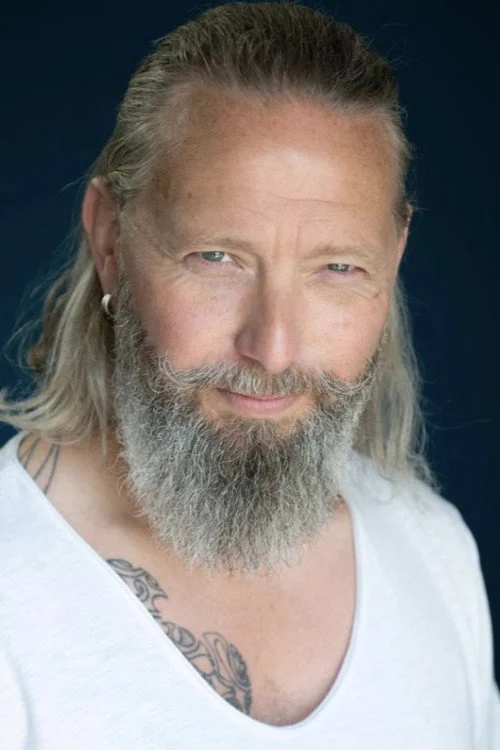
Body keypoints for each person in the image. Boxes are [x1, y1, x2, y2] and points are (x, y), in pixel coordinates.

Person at [0, 2, 498, 747]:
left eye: (337, 267)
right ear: (109, 241)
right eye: (217, 258)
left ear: (392, 261)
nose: (273, 349)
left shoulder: (435, 554)